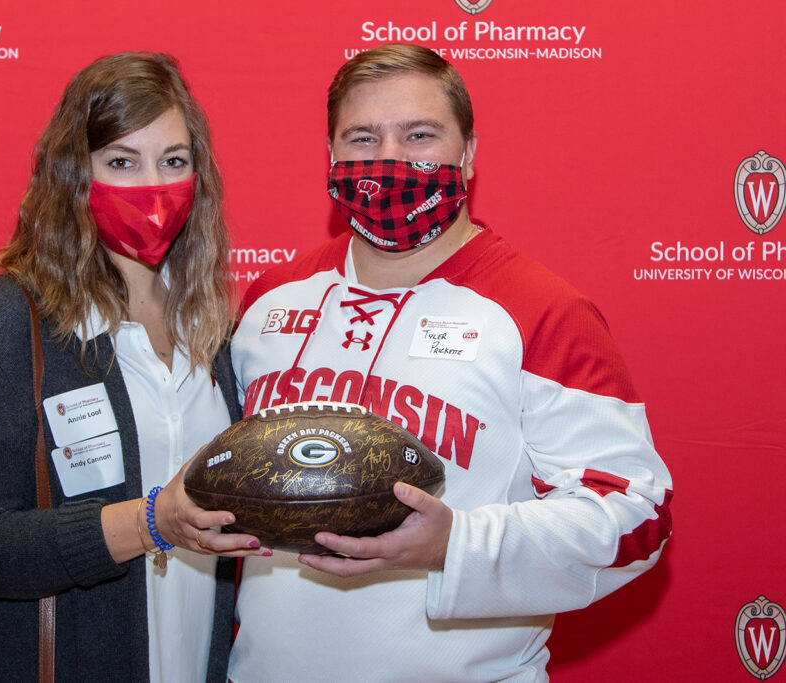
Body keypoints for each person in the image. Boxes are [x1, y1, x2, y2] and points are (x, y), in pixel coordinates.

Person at [228, 44, 673, 682]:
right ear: (330, 155)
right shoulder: (269, 301)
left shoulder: (541, 311)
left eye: (419, 135)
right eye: (362, 137)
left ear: (467, 154)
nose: (388, 160)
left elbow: (638, 519)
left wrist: (454, 545)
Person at [0, 52, 267, 682]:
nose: (152, 186)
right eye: (120, 162)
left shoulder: (210, 328)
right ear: (72, 175)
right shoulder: (6, 320)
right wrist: (149, 523)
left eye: (173, 161)